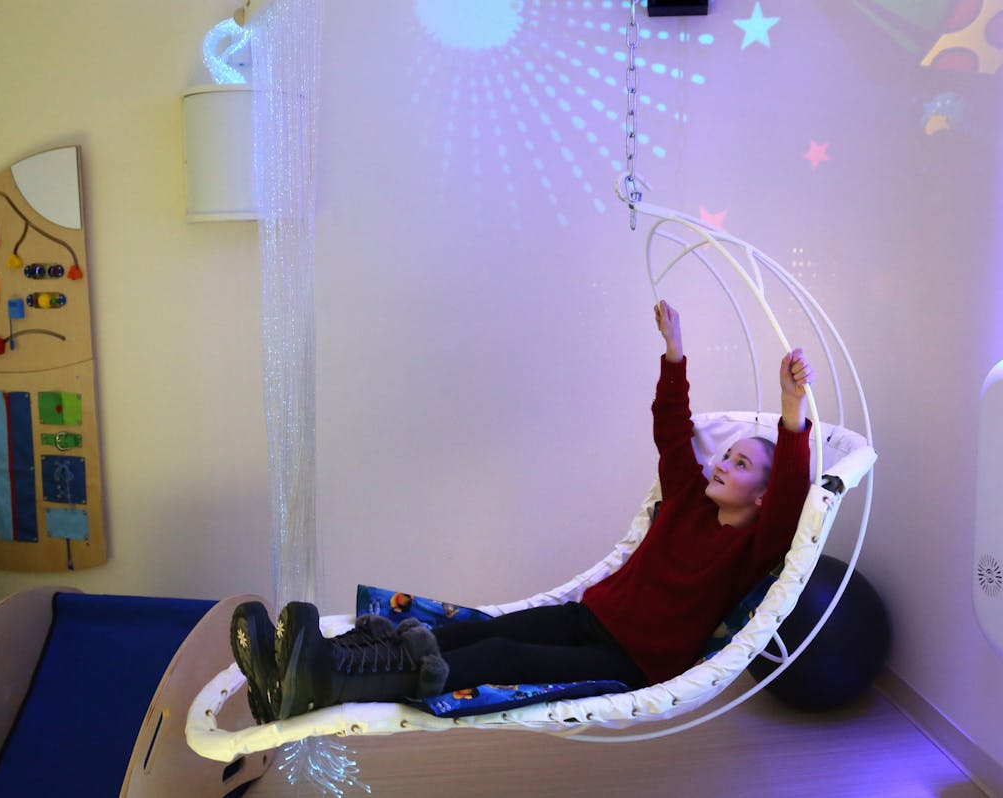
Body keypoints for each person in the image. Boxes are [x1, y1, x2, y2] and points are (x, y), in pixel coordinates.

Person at [230, 301, 815, 723]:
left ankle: (324, 682)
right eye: (727, 456)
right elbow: (670, 432)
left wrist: (790, 409)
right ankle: (310, 665)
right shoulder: (687, 498)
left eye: (740, 466)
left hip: (631, 659)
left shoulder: (751, 549)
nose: (721, 465)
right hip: (592, 617)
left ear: (762, 496)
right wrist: (675, 353)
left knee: (499, 657)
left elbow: (792, 498)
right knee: (473, 631)